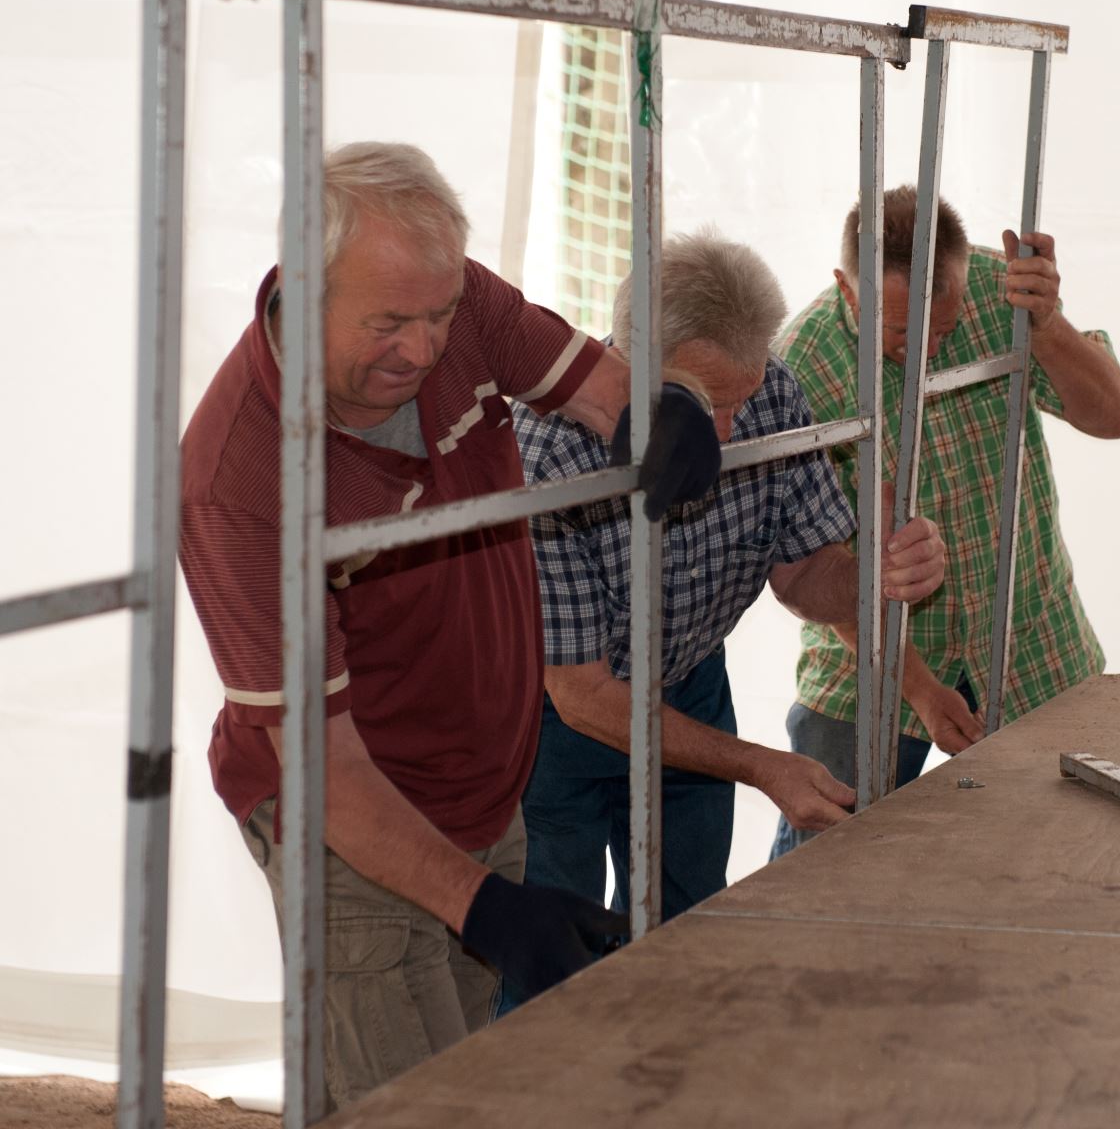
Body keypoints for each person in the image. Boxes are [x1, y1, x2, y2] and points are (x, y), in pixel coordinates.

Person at [176, 143, 717, 1109]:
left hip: (483, 786)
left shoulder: (461, 301)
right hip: (348, 820)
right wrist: (486, 909)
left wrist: (670, 410)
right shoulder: (237, 481)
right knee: (415, 1100)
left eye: (437, 317)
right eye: (387, 323)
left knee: (463, 1080)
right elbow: (321, 764)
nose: (423, 351)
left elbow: (606, 390)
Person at [505, 229, 950, 979]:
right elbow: (581, 696)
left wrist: (876, 572)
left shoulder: (770, 390)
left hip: (688, 682)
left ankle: (672, 1085)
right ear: (629, 364)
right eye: (699, 402)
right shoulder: (548, 451)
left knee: (688, 934)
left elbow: (806, 573)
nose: (725, 433)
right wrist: (759, 767)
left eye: (739, 400)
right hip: (551, 719)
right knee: (556, 957)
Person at [771, 187, 1120, 857]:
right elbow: (813, 573)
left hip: (1032, 643)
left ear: (966, 280)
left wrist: (1048, 324)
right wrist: (920, 690)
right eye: (897, 333)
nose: (919, 353)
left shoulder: (1009, 295)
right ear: (846, 291)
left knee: (1073, 864)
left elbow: (1112, 417)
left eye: (942, 327)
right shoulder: (802, 367)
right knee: (828, 885)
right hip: (869, 668)